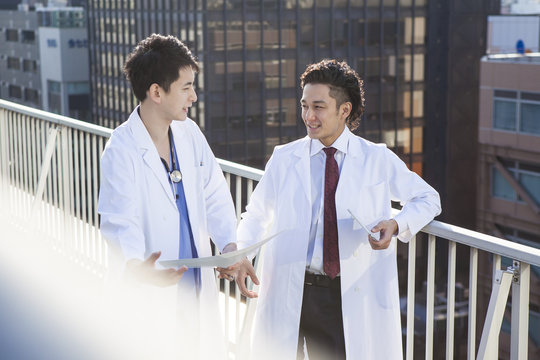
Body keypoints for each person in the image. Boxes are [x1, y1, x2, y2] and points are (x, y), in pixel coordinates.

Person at [232, 59, 441, 359]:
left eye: (318, 107)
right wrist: (242, 255)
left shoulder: (376, 158)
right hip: (290, 288)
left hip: (342, 296)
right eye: (304, 106)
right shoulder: (284, 157)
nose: (308, 116)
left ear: (344, 110)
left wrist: (395, 225)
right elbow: (256, 214)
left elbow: (428, 198)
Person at [97, 34, 257, 359]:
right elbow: (118, 219)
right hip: (153, 291)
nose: (194, 96)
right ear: (156, 91)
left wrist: (230, 248)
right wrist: (133, 265)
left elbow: (215, 195)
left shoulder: (189, 134)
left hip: (196, 286)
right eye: (186, 87)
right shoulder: (122, 149)